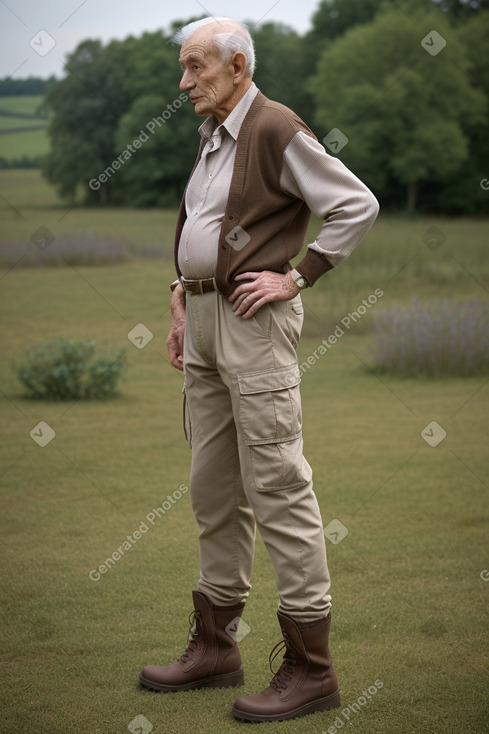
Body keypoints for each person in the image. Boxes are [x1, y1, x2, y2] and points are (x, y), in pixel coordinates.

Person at [139, 16, 379, 723]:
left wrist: (297, 277)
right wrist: (183, 295)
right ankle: (215, 648)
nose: (184, 83)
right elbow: (204, 225)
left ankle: (313, 670)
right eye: (183, 69)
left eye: (195, 69)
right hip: (207, 321)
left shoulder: (273, 126)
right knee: (212, 489)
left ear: (237, 67)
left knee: (277, 486)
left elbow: (353, 204)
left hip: (253, 322)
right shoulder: (213, 134)